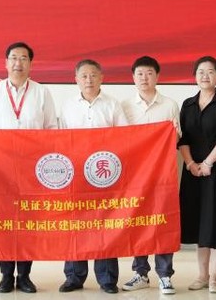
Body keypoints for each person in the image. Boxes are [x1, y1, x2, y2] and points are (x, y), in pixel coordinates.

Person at [0, 41, 58, 294]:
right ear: (6, 63)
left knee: (28, 221)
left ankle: (24, 276)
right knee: (3, 220)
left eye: (23, 58)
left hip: (32, 168)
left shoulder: (42, 92)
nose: (18, 63)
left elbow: (51, 129)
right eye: (13, 58)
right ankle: (5, 275)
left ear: (30, 64)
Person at [59, 59, 129, 295]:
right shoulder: (67, 106)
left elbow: (125, 137)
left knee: (105, 224)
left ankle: (107, 279)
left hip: (105, 174)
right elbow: (60, 140)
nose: (88, 80)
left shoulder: (113, 104)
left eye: (93, 75)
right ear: (76, 79)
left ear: (102, 78)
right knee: (75, 225)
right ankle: (74, 277)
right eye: (84, 76)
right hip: (75, 174)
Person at [178, 56, 216, 294]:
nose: (205, 76)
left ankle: (214, 277)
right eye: (201, 72)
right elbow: (183, 139)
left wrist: (207, 163)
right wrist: (191, 163)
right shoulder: (187, 104)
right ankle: (202, 275)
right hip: (193, 171)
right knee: (200, 223)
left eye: (210, 72)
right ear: (194, 76)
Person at [119, 55, 180, 295]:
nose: (144, 78)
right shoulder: (124, 105)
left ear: (157, 76)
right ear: (133, 77)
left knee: (163, 221)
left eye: (149, 73)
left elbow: (175, 138)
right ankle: (140, 273)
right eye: (140, 74)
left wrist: (165, 136)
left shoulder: (170, 105)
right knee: (138, 222)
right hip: (134, 176)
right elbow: (120, 140)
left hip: (162, 175)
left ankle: (165, 275)